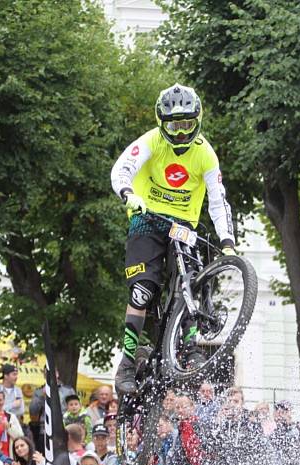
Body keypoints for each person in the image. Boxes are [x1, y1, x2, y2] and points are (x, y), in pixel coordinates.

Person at [110, 83, 237, 395]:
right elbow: (121, 169)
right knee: (141, 292)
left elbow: (218, 201)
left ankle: (191, 347)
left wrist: (227, 241)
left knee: (190, 282)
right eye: (174, 126)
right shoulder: (151, 142)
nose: (181, 134)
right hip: (147, 218)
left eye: (187, 125)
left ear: (197, 122)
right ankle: (127, 362)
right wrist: (128, 194)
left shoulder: (205, 153)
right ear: (161, 123)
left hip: (182, 224)